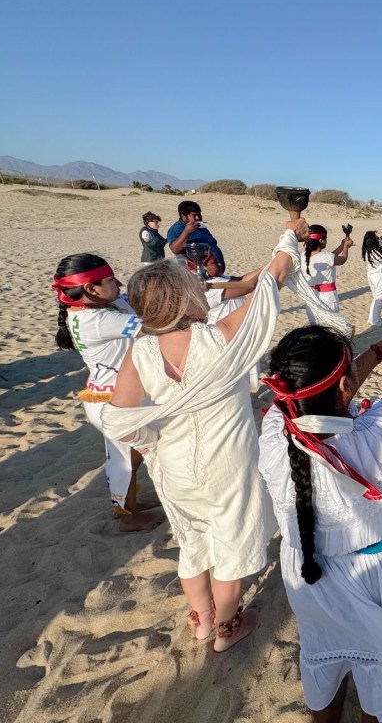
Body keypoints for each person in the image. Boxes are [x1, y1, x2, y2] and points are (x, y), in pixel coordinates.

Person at [104, 217, 310, 652]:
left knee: (193, 544)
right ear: (184, 299)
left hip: (175, 466)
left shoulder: (138, 352)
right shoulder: (219, 338)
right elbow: (269, 286)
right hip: (229, 463)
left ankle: (201, 622)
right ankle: (227, 630)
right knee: (230, 546)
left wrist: (149, 444)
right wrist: (288, 236)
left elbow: (118, 417)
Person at [256, 323, 382, 722]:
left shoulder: (276, 430)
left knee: (324, 652)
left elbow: (331, 389)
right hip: (379, 576)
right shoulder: (377, 433)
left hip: (309, 576)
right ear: (346, 387)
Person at [51, 254, 165, 532]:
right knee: (125, 459)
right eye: (111, 280)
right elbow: (157, 328)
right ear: (91, 289)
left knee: (133, 456)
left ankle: (129, 506)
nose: (118, 283)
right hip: (115, 401)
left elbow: (134, 302)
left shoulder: (102, 305)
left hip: (115, 395)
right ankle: (127, 516)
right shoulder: (96, 319)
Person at [305, 224, 354, 311]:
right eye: (325, 238)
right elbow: (342, 259)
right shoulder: (326, 257)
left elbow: (329, 258)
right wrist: (346, 247)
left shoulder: (303, 256)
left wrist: (341, 246)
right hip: (327, 299)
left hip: (311, 298)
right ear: (321, 240)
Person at [167, 200, 225, 270]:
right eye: (194, 215)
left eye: (199, 214)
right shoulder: (176, 229)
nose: (198, 217)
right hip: (197, 274)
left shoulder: (200, 226)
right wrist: (186, 233)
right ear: (183, 216)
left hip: (215, 272)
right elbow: (175, 249)